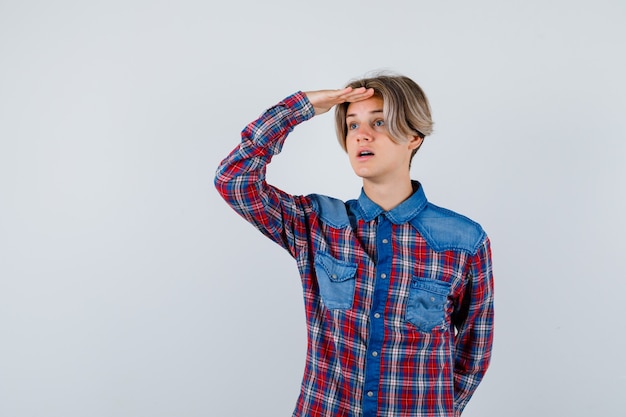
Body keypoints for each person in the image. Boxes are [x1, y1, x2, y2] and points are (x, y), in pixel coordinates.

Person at [214, 73, 494, 417]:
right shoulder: (315, 223)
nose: (362, 134)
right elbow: (233, 180)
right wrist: (300, 108)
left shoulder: (463, 240)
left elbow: (473, 353)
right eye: (351, 125)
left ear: (413, 137)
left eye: (379, 121)